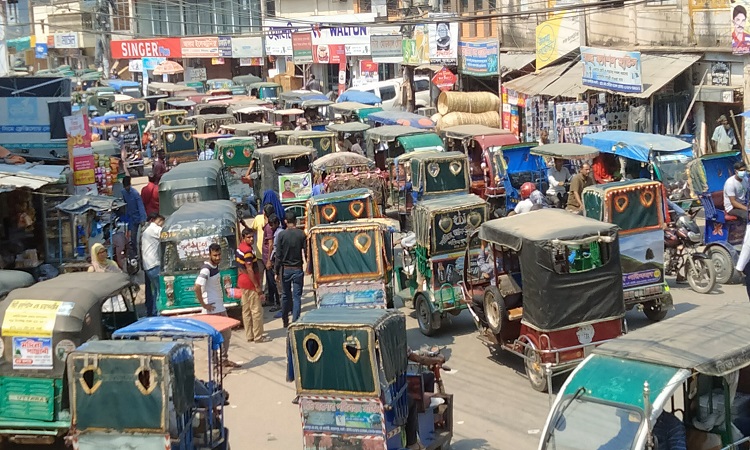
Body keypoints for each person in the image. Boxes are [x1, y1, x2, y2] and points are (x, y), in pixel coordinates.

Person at [195, 243, 240, 368]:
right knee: (219, 336)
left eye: (219, 254)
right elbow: (197, 286)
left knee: (224, 335)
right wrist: (204, 304)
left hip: (218, 306)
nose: (217, 257)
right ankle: (216, 362)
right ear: (209, 255)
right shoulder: (206, 269)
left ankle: (221, 360)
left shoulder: (214, 267)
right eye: (215, 255)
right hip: (213, 309)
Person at [405, 348, 446, 450]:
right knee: (411, 401)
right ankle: (412, 442)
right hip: (396, 386)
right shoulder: (397, 342)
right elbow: (420, 359)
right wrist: (436, 360)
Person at [236, 228, 270, 343]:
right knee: (256, 311)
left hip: (242, 283)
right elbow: (249, 269)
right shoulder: (248, 251)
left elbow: (240, 267)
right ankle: (258, 336)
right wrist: (257, 286)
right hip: (250, 283)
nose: (251, 239)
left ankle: (249, 335)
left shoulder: (240, 248)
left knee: (246, 310)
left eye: (252, 237)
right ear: (244, 238)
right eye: (249, 237)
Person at [276, 210, 306, 327]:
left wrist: (276, 271)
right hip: (298, 268)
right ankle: (296, 321)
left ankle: (285, 320)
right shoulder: (301, 234)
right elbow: (306, 252)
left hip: (285, 269)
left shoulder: (281, 235)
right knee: (297, 297)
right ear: (296, 220)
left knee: (285, 295)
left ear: (285, 221)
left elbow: (278, 255)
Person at [141, 212, 165, 317]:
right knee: (161, 290)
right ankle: (159, 312)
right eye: (161, 222)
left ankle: (155, 312)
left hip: (148, 266)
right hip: (154, 264)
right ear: (156, 220)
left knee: (156, 290)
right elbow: (167, 234)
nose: (161, 224)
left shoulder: (147, 231)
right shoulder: (154, 229)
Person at [121, 176, 147, 257]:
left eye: (128, 186)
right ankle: (135, 254)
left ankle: (142, 253)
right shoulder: (123, 192)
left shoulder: (135, 193)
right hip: (131, 219)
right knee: (132, 239)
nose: (127, 188)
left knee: (141, 238)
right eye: (125, 187)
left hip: (139, 218)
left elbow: (141, 206)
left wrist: (143, 219)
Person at [265, 214, 282, 313]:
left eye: (272, 225)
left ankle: (279, 304)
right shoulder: (278, 232)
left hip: (277, 261)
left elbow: (275, 250)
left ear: (276, 223)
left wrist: (269, 260)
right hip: (276, 260)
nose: (270, 227)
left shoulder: (278, 234)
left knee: (277, 284)